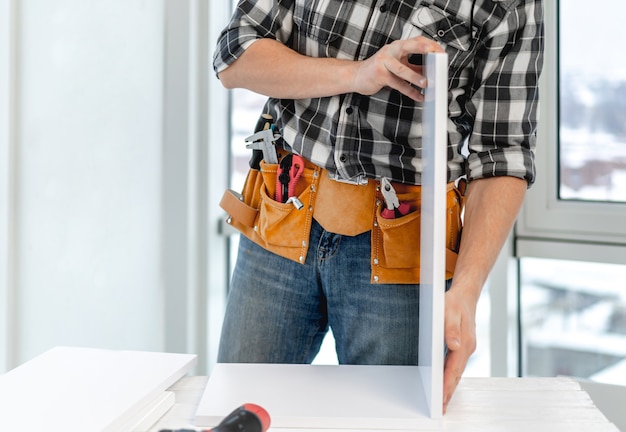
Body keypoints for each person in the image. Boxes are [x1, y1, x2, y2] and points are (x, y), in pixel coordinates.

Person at [213, 0, 544, 413]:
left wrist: (467, 289)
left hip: (404, 253)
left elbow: (502, 154)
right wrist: (357, 74)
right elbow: (234, 55)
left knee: (392, 419)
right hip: (283, 214)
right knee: (233, 413)